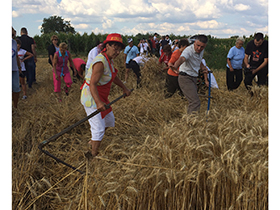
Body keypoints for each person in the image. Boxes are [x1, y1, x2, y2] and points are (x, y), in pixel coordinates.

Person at [80, 33, 131, 157]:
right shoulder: (100, 62)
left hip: (101, 96)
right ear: (107, 46)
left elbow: (113, 76)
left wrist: (124, 88)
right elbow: (92, 84)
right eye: (115, 47)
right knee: (98, 128)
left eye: (119, 49)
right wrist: (98, 103)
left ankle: (93, 141)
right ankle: (93, 155)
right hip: (91, 97)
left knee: (109, 121)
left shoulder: (109, 61)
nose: (117, 51)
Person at [170, 34, 208, 115]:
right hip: (185, 77)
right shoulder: (188, 50)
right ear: (194, 43)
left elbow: (199, 60)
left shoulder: (201, 50)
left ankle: (191, 118)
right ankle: (191, 121)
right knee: (195, 102)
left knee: (193, 100)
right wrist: (175, 66)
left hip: (193, 77)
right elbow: (182, 58)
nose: (199, 48)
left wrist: (203, 67)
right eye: (198, 45)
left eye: (202, 47)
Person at [12, 27, 22, 109]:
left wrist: (19, 67)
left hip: (14, 69)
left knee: (16, 89)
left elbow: (16, 56)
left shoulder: (14, 43)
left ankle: (15, 106)